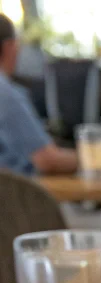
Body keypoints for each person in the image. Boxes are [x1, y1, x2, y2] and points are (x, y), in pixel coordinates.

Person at [0, 15, 77, 175]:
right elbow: (47, 160)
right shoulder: (7, 95)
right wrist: (90, 158)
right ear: (9, 47)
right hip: (14, 196)